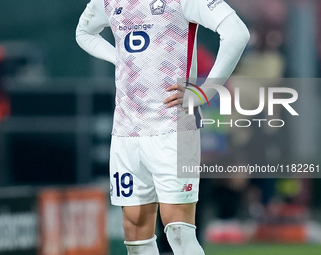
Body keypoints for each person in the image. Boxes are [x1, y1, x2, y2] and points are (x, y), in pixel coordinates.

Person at [76, 0, 249, 254]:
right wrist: (119, 58)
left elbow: (237, 32)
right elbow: (83, 32)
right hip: (126, 131)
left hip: (174, 129)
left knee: (178, 231)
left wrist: (206, 91)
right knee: (135, 229)